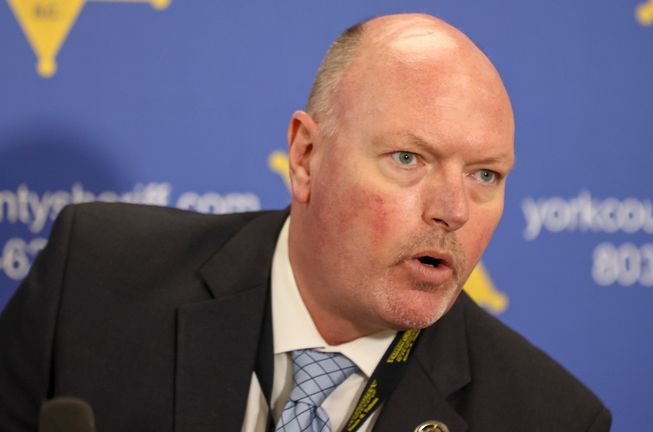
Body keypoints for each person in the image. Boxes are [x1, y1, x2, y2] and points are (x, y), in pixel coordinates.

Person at [0, 13, 611, 432]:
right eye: (409, 158)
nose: (452, 210)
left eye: (485, 175)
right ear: (306, 157)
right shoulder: (95, 280)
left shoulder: (546, 415)